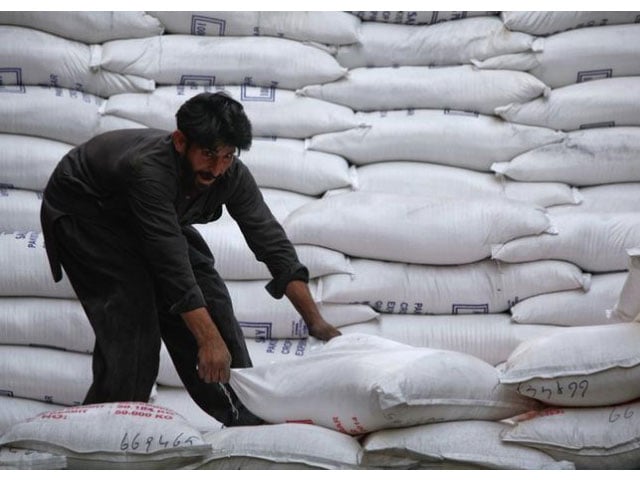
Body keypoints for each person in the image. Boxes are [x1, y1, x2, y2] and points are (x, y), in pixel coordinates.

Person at [40, 91, 341, 426]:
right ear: (181, 141)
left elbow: (269, 239)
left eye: (227, 155)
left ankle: (247, 418)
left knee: (211, 297)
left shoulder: (231, 175)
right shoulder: (148, 170)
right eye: (209, 154)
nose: (216, 168)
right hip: (86, 212)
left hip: (150, 219)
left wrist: (315, 321)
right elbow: (170, 262)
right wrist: (207, 341)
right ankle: (104, 433)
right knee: (135, 320)